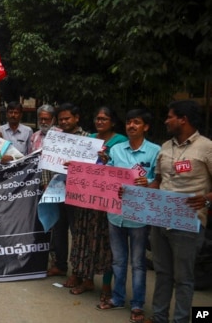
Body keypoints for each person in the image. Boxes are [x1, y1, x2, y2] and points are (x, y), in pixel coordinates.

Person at [147, 100, 212, 323]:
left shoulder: (206, 147)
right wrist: (138, 191)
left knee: (183, 278)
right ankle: (159, 317)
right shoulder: (165, 147)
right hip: (160, 221)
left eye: (169, 116)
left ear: (183, 119)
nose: (166, 120)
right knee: (162, 274)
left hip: (188, 223)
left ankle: (181, 320)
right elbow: (157, 180)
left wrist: (206, 200)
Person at [95, 109, 159, 323]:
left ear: (146, 127)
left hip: (139, 216)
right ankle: (118, 298)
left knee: (138, 262)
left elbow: (160, 181)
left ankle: (138, 304)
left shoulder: (155, 151)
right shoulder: (116, 150)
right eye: (129, 122)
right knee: (119, 260)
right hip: (115, 213)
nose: (131, 126)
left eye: (137, 122)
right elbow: (108, 175)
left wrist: (148, 184)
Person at [68, 106, 126, 297]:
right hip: (86, 198)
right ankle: (87, 280)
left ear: (113, 122)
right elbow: (81, 164)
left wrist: (107, 160)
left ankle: (107, 285)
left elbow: (122, 169)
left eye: (104, 119)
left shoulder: (120, 142)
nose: (99, 122)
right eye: (97, 118)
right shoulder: (89, 140)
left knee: (105, 243)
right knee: (84, 239)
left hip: (107, 201)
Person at [47, 103, 90, 280]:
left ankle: (78, 270)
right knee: (59, 230)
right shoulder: (55, 138)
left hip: (78, 193)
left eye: (67, 118)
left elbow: (94, 167)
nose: (64, 122)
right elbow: (47, 163)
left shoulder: (88, 139)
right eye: (61, 119)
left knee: (78, 232)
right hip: (57, 190)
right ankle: (60, 265)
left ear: (77, 118)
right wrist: (45, 184)